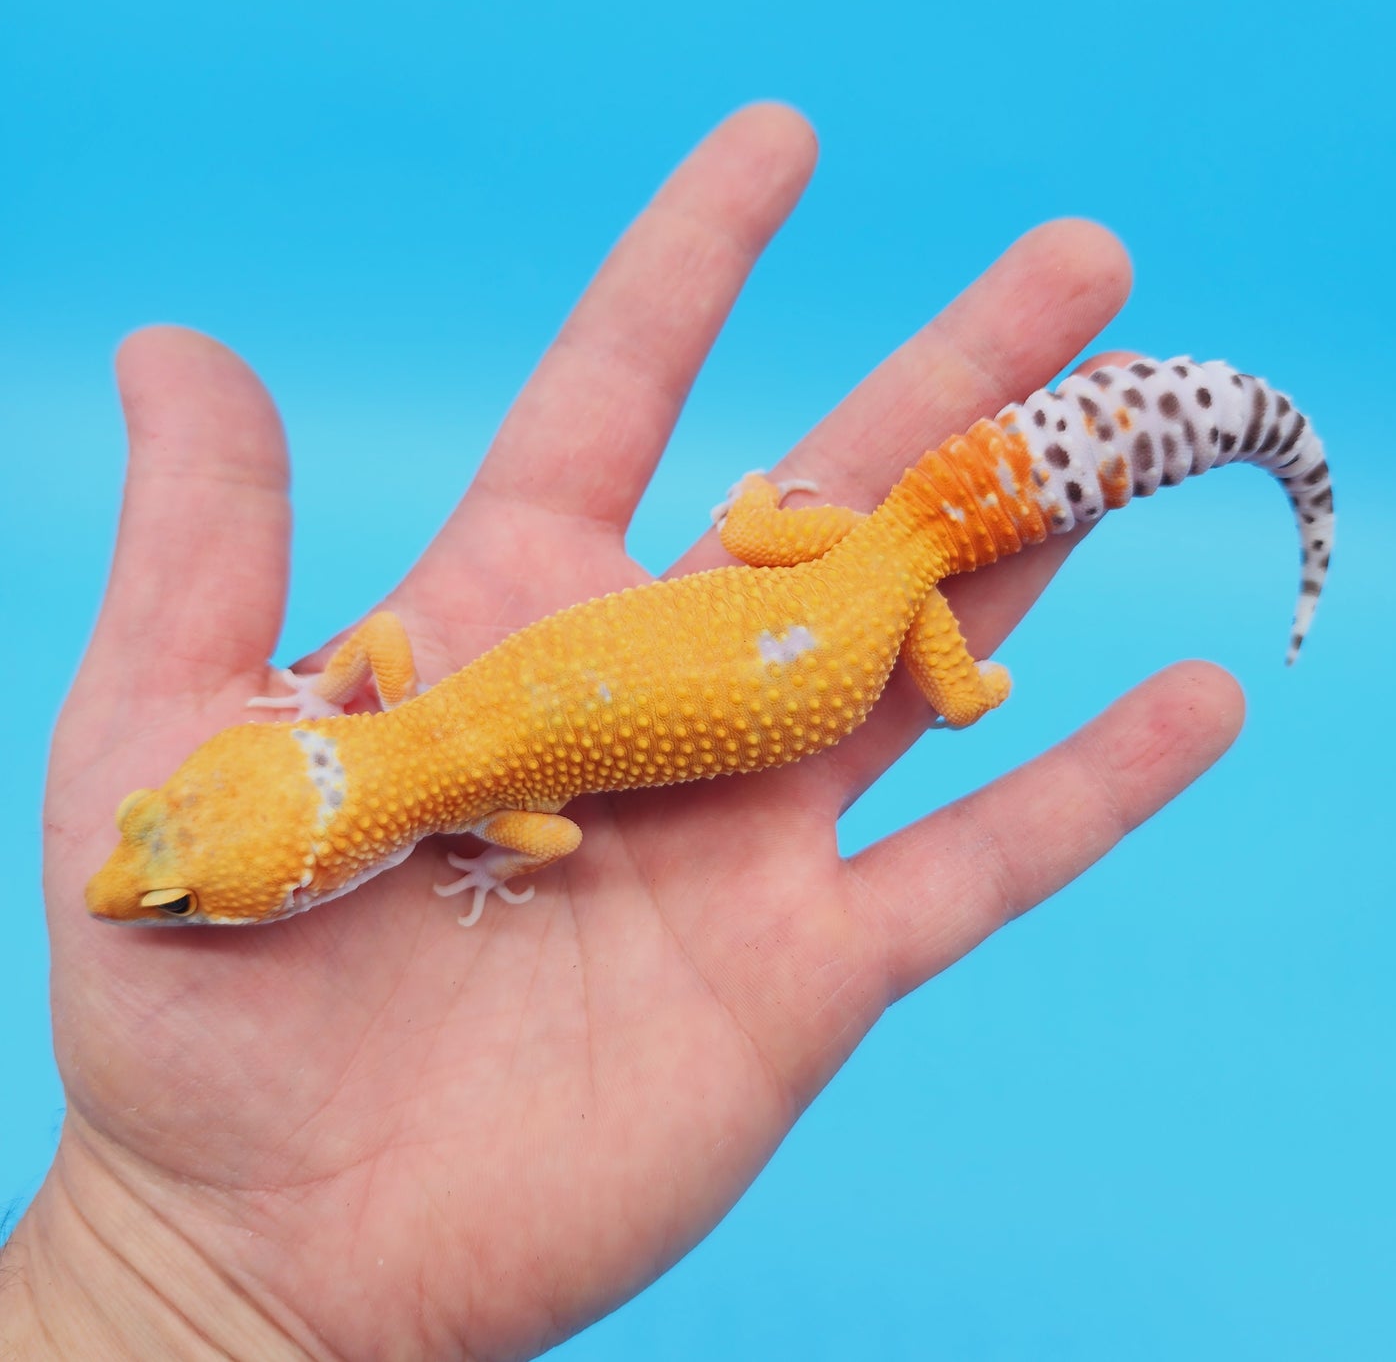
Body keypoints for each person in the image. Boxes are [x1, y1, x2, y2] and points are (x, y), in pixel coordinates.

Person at [0, 104, 1241, 1359]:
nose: (127, 898)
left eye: (173, 892)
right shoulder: (395, 693)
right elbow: (382, 655)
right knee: (894, 568)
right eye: (171, 878)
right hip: (827, 568)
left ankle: (972, 685)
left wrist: (482, 858)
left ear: (318, 867)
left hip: (860, 627)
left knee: (942, 646)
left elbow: (551, 838)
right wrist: (324, 697)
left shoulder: (474, 805)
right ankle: (1004, 578)